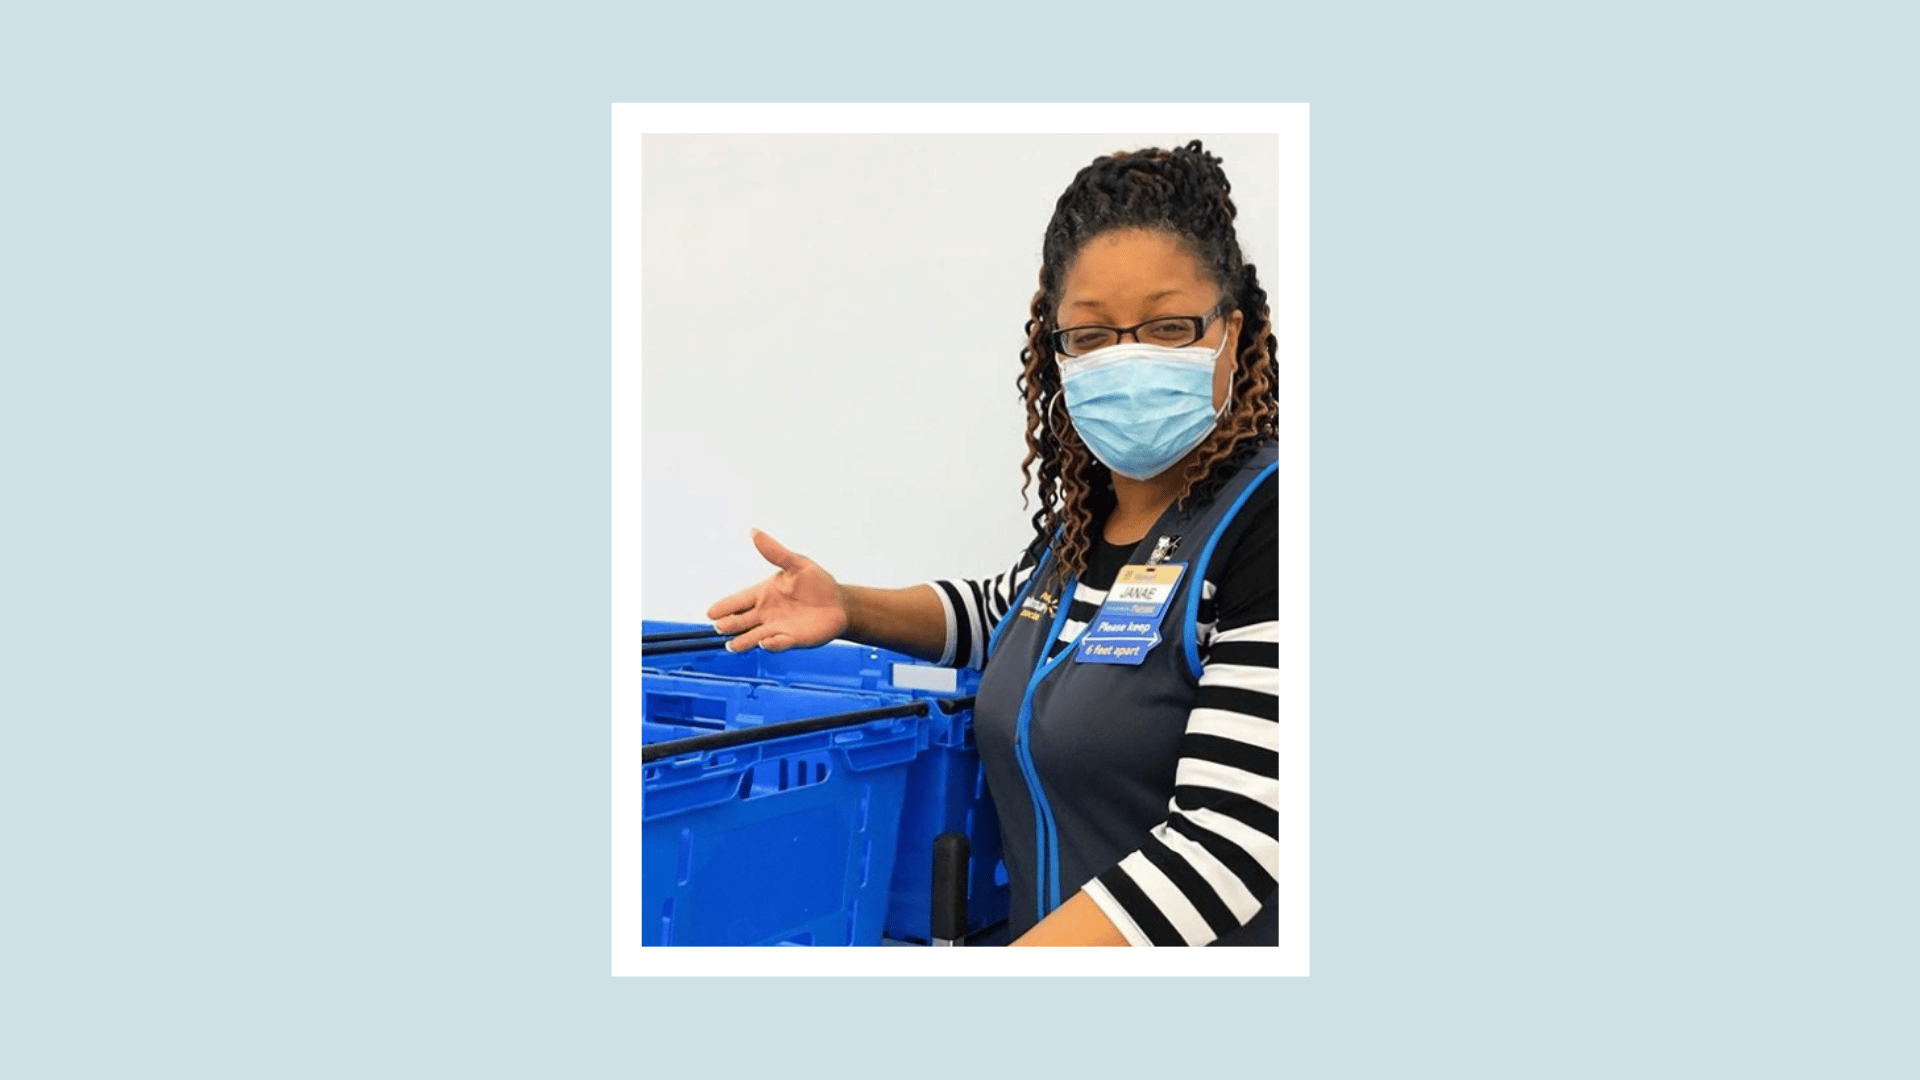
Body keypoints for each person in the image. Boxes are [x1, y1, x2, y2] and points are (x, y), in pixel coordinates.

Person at [706, 140, 1283, 947]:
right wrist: (849, 607)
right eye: (1090, 334)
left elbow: (1233, 840)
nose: (1128, 358)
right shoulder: (1088, 521)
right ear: (1056, 351)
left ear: (1235, 328)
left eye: (1167, 326)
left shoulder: (1275, 522)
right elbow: (1009, 617)